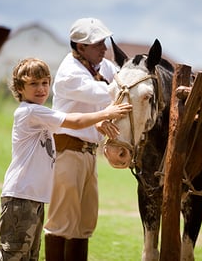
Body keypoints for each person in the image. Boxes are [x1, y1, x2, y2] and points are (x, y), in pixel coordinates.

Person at [0, 58, 131, 261]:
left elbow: (67, 123)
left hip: (34, 198)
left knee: (29, 256)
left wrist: (97, 123)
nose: (41, 89)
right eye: (33, 83)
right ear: (19, 88)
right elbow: (72, 121)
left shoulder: (41, 114)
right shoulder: (29, 112)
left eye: (45, 83)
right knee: (13, 256)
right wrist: (106, 112)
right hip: (21, 197)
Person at [44, 17, 119, 260]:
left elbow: (120, 79)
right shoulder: (69, 73)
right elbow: (105, 93)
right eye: (97, 44)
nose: (104, 49)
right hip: (67, 151)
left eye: (103, 43)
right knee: (60, 224)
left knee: (84, 225)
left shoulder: (102, 67)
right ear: (80, 47)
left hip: (88, 152)